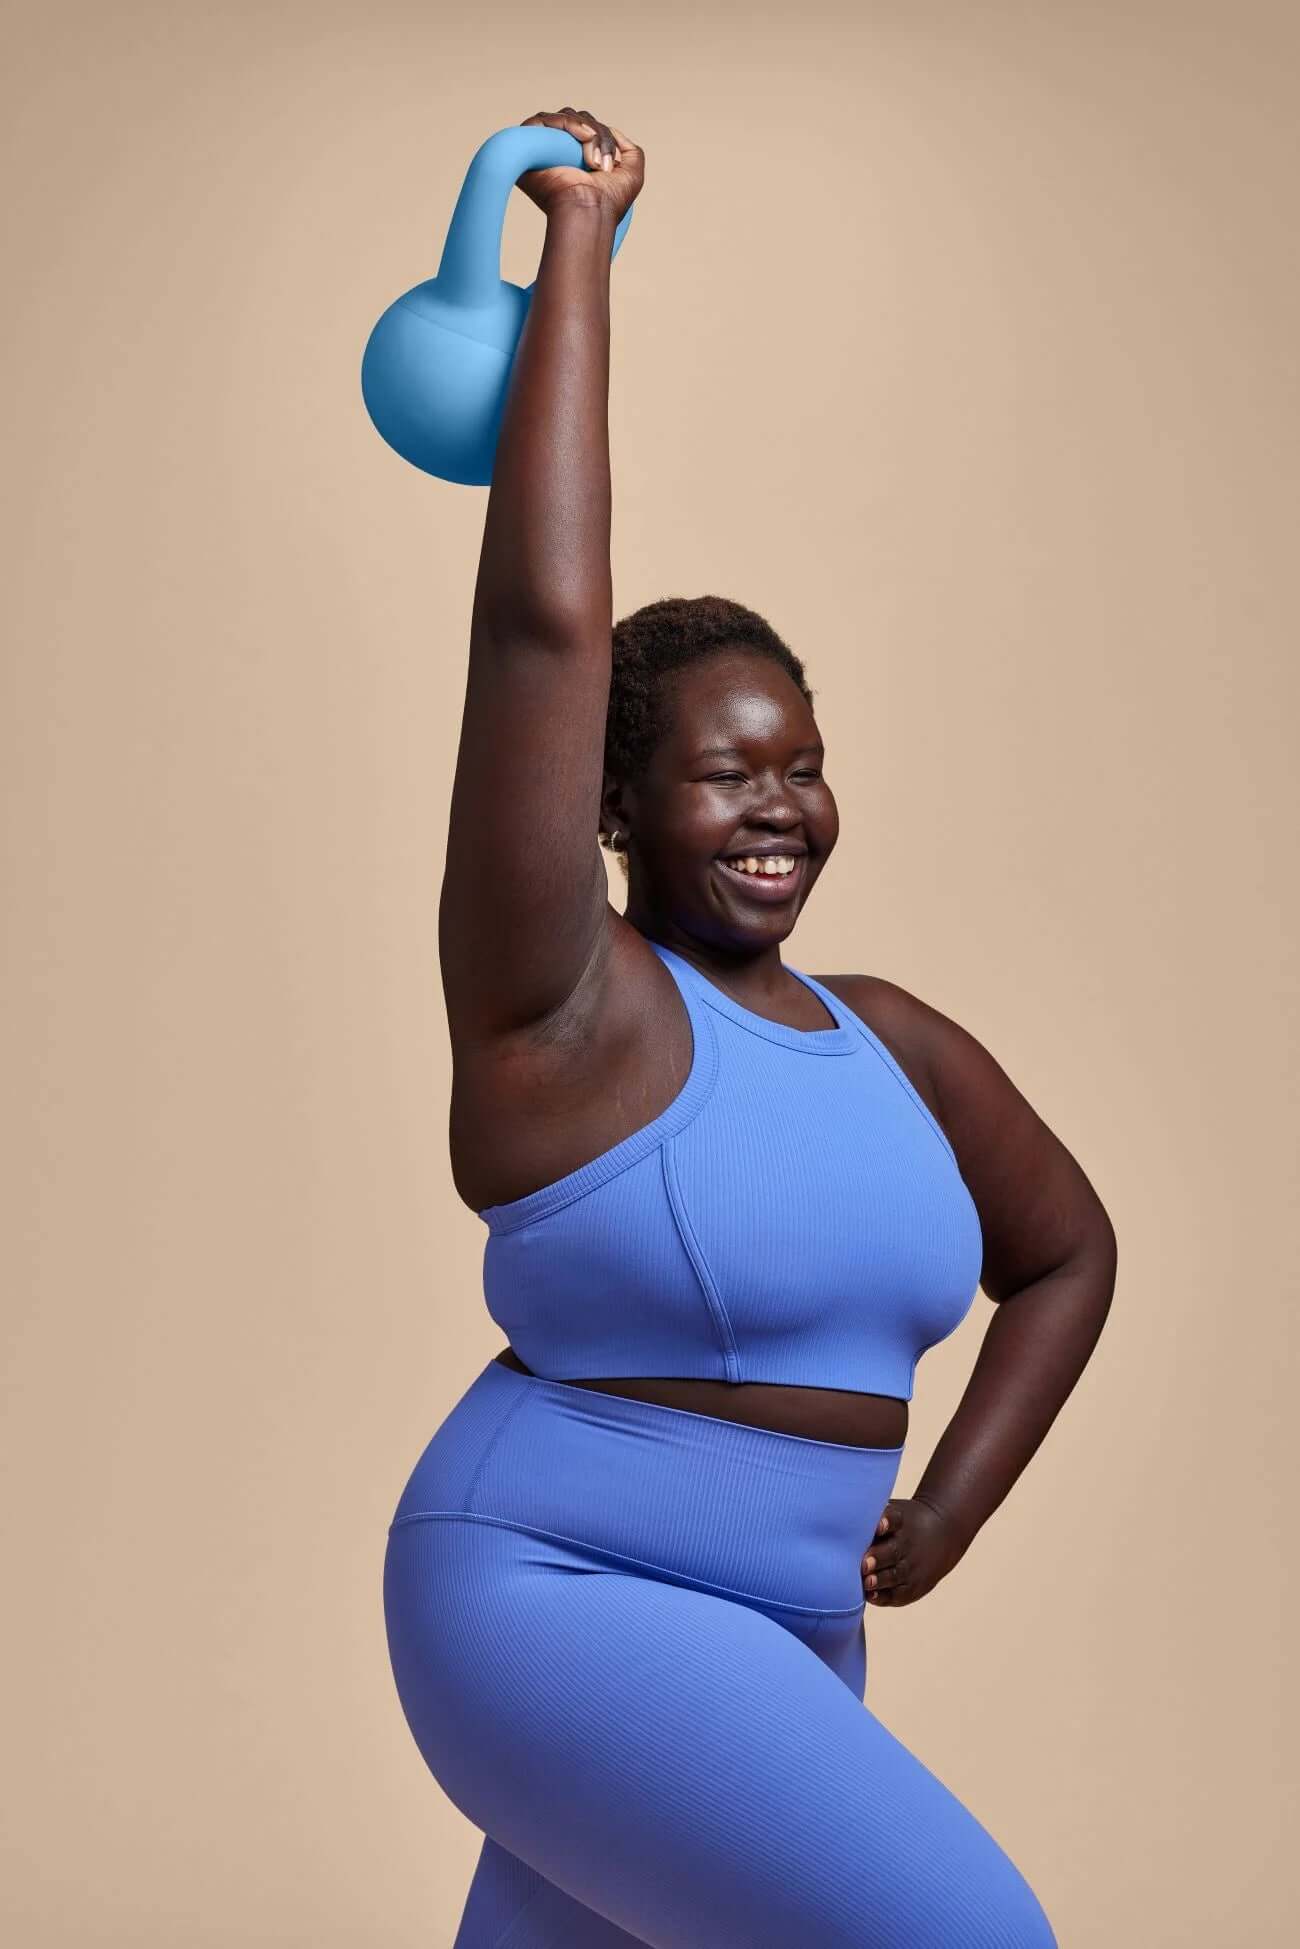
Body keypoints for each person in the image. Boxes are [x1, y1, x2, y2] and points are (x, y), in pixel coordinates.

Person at [382, 106, 1117, 1948]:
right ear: (620, 812)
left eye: (803, 765)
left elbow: (1071, 1253)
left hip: (793, 1629)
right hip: (559, 1592)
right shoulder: (565, 1009)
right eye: (725, 776)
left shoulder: (892, 1042)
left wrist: (946, 1507)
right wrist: (577, 247)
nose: (780, 805)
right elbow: (547, 628)